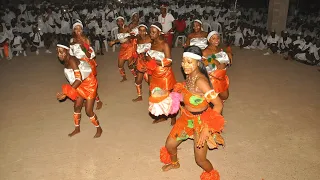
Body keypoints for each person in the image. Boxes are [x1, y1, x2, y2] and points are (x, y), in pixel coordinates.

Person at [156, 46, 225, 180]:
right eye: (183, 61)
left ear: (198, 63)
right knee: (169, 145)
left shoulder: (200, 81)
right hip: (186, 118)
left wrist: (207, 128)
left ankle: (212, 175)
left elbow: (218, 104)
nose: (184, 65)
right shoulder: (189, 75)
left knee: (200, 160)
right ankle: (175, 164)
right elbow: (186, 94)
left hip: (201, 122)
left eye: (189, 62)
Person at [55, 41, 103, 138]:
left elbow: (78, 78)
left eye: (62, 52)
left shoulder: (72, 60)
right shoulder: (66, 60)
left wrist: (66, 93)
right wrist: (67, 92)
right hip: (79, 85)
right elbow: (75, 79)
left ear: (68, 51)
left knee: (88, 111)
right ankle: (77, 129)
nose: (59, 54)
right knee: (77, 107)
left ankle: (99, 128)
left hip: (89, 84)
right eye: (58, 52)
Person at [146, 22, 177, 125]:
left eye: (154, 32)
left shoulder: (164, 45)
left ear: (159, 33)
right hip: (155, 74)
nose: (151, 34)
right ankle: (162, 116)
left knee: (168, 97)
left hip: (165, 75)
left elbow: (169, 62)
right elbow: (150, 58)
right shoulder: (152, 43)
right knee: (156, 95)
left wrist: (153, 61)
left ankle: (173, 116)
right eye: (150, 32)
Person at [70, 20, 103, 110]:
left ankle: (98, 101)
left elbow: (90, 55)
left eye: (80, 29)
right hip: (78, 64)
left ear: (82, 30)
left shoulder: (86, 40)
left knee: (90, 84)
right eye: (76, 29)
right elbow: (71, 54)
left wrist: (83, 48)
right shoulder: (72, 40)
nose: (78, 31)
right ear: (74, 31)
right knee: (81, 84)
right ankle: (85, 99)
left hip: (87, 64)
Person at [202, 31, 232, 101]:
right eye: (213, 38)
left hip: (221, 76)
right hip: (211, 78)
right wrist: (212, 61)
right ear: (209, 40)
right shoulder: (205, 51)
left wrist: (228, 54)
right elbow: (201, 63)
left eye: (218, 38)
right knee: (213, 98)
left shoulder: (220, 49)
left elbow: (226, 61)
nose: (216, 40)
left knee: (225, 96)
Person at [109, 16, 137, 82]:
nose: (119, 22)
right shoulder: (119, 29)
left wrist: (129, 37)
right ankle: (124, 77)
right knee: (120, 64)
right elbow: (120, 39)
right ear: (116, 22)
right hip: (123, 47)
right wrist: (113, 42)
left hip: (129, 47)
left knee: (130, 65)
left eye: (121, 20)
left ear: (123, 21)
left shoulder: (127, 27)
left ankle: (136, 76)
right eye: (118, 21)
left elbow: (133, 35)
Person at [132, 23, 152, 102]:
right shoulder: (137, 39)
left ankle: (153, 97)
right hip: (140, 62)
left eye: (144, 31)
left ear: (146, 31)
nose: (142, 32)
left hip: (150, 62)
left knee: (150, 82)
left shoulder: (151, 38)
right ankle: (139, 96)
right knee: (138, 80)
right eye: (140, 30)